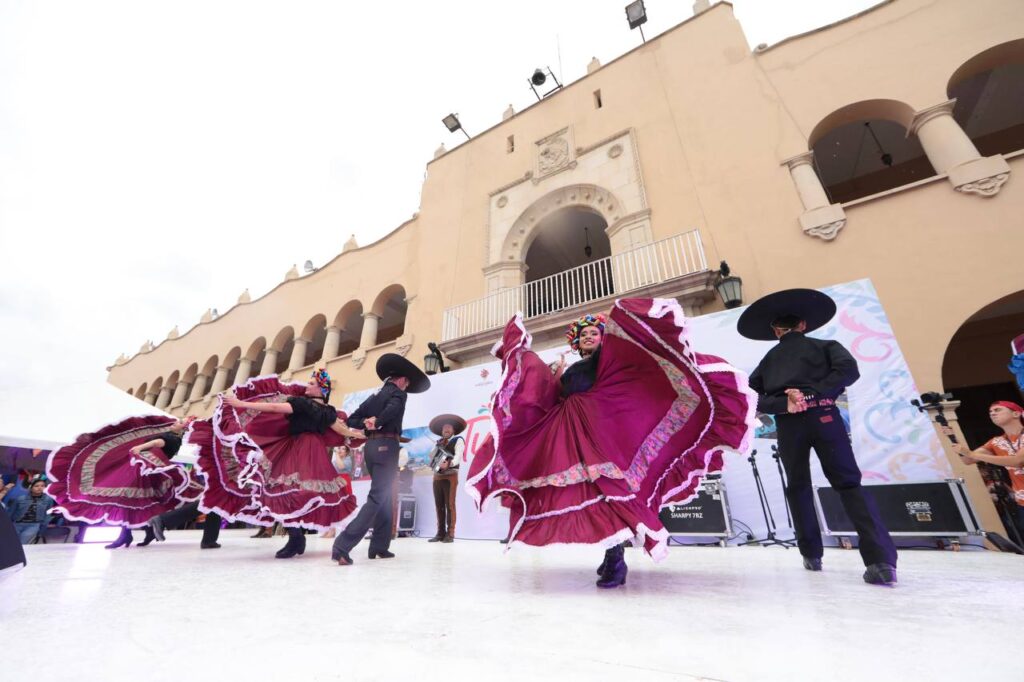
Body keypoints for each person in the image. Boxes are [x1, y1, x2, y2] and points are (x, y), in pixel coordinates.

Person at [467, 299, 756, 588]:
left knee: (611, 488)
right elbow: (549, 395)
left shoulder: (608, 362)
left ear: (603, 337)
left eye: (594, 333)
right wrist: (542, 369)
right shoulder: (571, 371)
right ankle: (612, 553)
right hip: (572, 435)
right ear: (577, 344)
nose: (589, 337)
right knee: (593, 491)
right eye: (583, 336)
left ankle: (616, 560)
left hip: (604, 430)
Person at [739, 288, 898, 586]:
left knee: (797, 486)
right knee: (849, 483)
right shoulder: (826, 345)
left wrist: (784, 403)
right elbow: (849, 371)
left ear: (776, 331)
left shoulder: (769, 360)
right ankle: (881, 560)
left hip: (789, 425)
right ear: (803, 325)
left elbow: (748, 395)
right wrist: (816, 394)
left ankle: (811, 554)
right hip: (825, 417)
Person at [213, 368, 364, 559]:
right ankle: (296, 537)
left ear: (321, 389)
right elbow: (342, 430)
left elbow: (276, 408)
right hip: (309, 449)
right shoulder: (323, 409)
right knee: (290, 491)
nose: (307, 386)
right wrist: (359, 435)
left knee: (288, 490)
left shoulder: (309, 405)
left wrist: (240, 403)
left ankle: (296, 538)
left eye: (311, 383)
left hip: (301, 449)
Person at [331, 353, 430, 566]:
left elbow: (354, 419)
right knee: (378, 496)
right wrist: (379, 421)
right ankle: (342, 545)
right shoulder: (398, 394)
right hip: (386, 447)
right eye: (407, 383)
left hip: (371, 449)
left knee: (385, 496)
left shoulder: (374, 397)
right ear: (402, 380)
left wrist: (368, 421)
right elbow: (394, 409)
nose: (407, 387)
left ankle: (379, 546)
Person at [46, 415, 202, 549]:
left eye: (180, 423)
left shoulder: (171, 438)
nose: (176, 423)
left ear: (183, 429)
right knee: (134, 503)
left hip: (141, 473)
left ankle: (128, 535)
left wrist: (140, 447)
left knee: (122, 501)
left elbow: (158, 443)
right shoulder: (173, 437)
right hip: (143, 471)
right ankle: (135, 534)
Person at [948, 401, 1024, 537]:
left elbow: (1018, 461)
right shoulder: (996, 442)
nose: (992, 413)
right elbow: (968, 460)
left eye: (998, 410)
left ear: (1016, 413)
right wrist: (953, 438)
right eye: (990, 412)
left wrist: (972, 454)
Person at [427, 414, 466, 543]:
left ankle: (450, 533)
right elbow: (433, 456)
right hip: (437, 477)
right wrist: (433, 459)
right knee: (439, 505)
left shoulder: (458, 440)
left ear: (453, 430)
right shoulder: (439, 442)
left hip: (451, 476)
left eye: (449, 427)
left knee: (450, 505)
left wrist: (448, 463)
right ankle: (440, 533)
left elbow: (458, 457)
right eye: (444, 428)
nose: (446, 430)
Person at [4, 477, 56, 545]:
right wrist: (5, 525)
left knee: (22, 544)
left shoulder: (48, 499)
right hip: (17, 524)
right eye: (36, 486)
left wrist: (43, 527)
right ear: (31, 487)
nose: (40, 488)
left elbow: (48, 514)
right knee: (10, 543)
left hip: (33, 525)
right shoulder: (20, 498)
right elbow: (10, 513)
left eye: (42, 486)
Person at [321, 445, 353, 539]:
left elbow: (341, 466)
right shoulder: (335, 460)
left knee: (343, 507)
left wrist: (336, 453)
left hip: (343, 483)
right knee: (332, 506)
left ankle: (345, 530)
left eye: (343, 449)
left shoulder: (347, 460)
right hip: (335, 483)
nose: (340, 450)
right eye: (340, 448)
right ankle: (330, 529)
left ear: (347, 452)